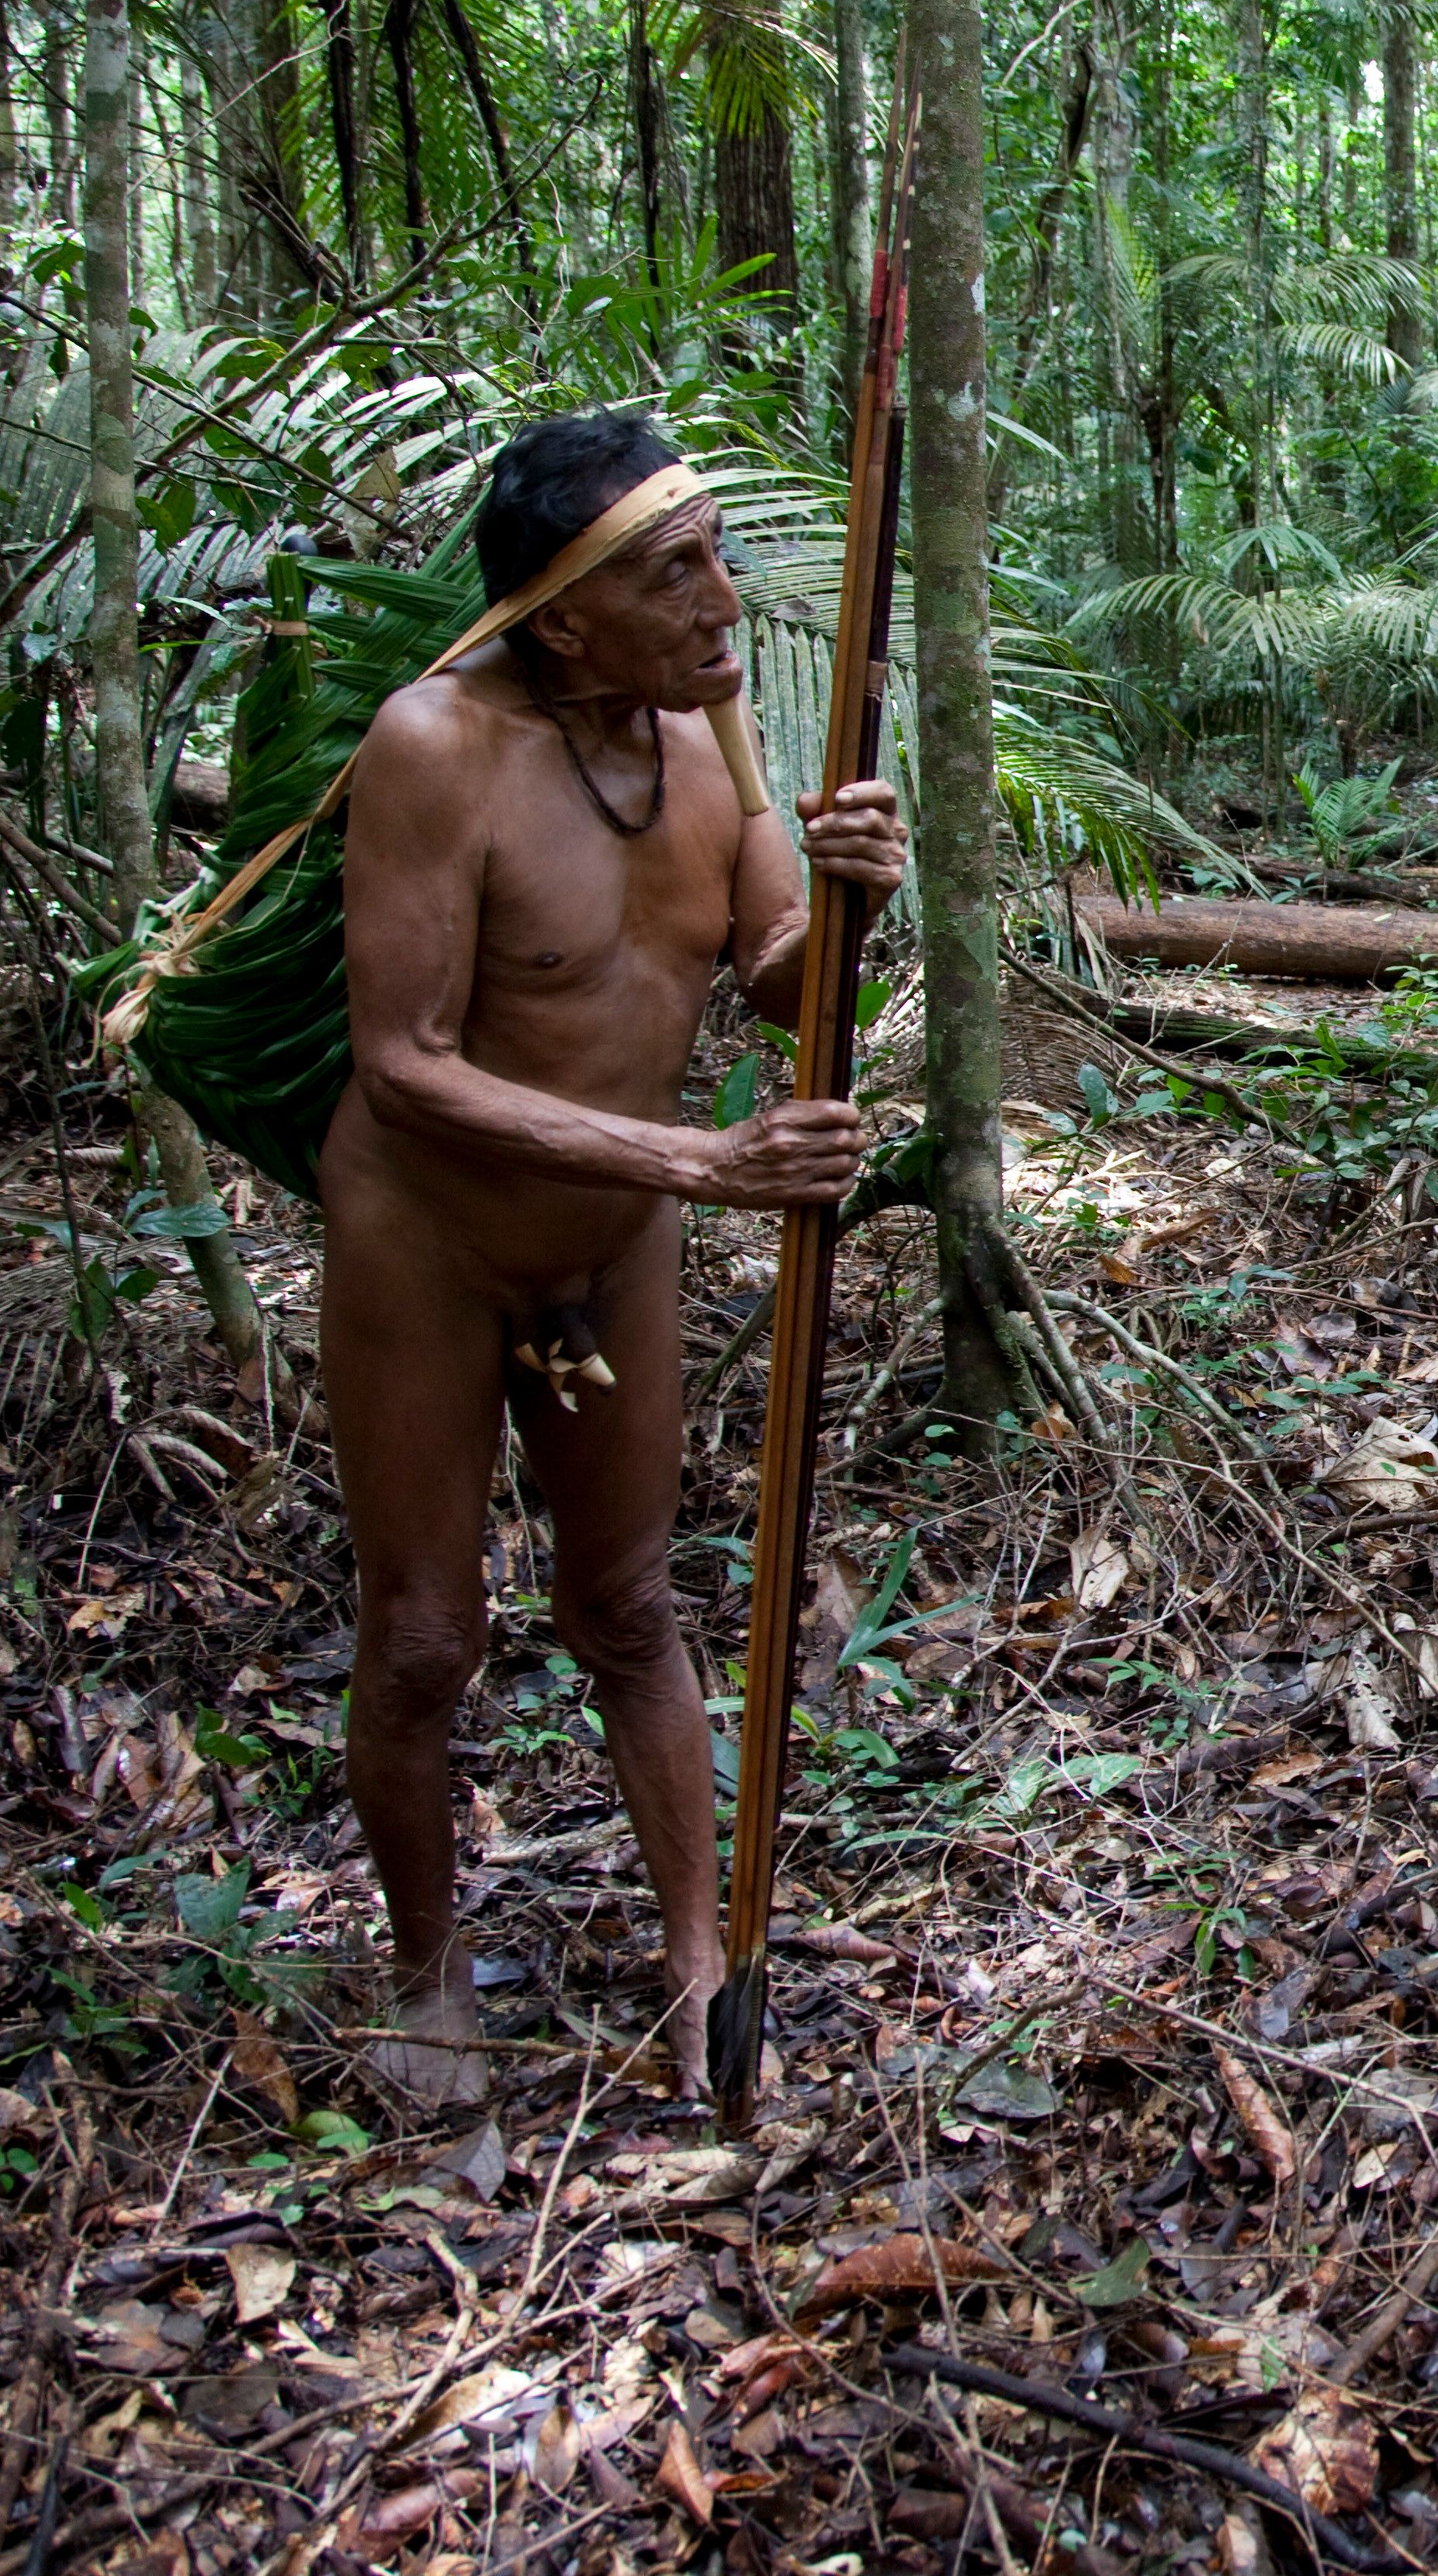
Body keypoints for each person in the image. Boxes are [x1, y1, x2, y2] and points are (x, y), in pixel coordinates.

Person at [323, 412, 907, 2100]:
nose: (725, 598)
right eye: (679, 571)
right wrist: (700, 1160)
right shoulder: (435, 745)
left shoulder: (708, 738)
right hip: (424, 1243)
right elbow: (404, 1065)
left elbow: (781, 977)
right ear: (564, 615)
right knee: (426, 1634)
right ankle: (427, 1977)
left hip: (618, 1240)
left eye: (719, 549)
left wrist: (860, 900)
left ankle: (699, 1963)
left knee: (632, 1608)